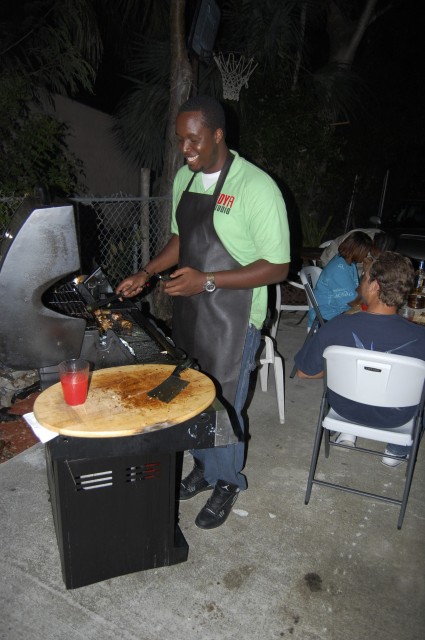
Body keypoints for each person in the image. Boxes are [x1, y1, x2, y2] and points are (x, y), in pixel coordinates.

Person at [116, 95, 290, 529]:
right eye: (180, 140)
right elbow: (181, 237)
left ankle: (227, 480)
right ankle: (203, 468)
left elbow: (278, 266)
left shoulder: (256, 187)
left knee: (225, 403)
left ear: (217, 134)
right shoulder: (185, 180)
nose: (185, 148)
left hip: (236, 315)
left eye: (194, 139)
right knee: (191, 394)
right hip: (191, 307)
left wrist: (207, 280)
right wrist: (149, 272)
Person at [295, 251, 425, 466]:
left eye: (364, 277)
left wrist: (341, 371)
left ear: (375, 286)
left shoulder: (338, 325)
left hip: (346, 409)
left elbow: (304, 372)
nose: (360, 282)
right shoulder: (420, 336)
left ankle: (346, 432)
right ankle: (396, 450)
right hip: (397, 416)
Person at [308, 231, 372, 326]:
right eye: (366, 252)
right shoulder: (338, 269)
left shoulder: (348, 262)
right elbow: (354, 302)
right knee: (372, 317)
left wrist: (364, 272)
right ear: (359, 251)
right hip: (327, 316)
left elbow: (356, 290)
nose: (366, 255)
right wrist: (367, 276)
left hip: (339, 309)